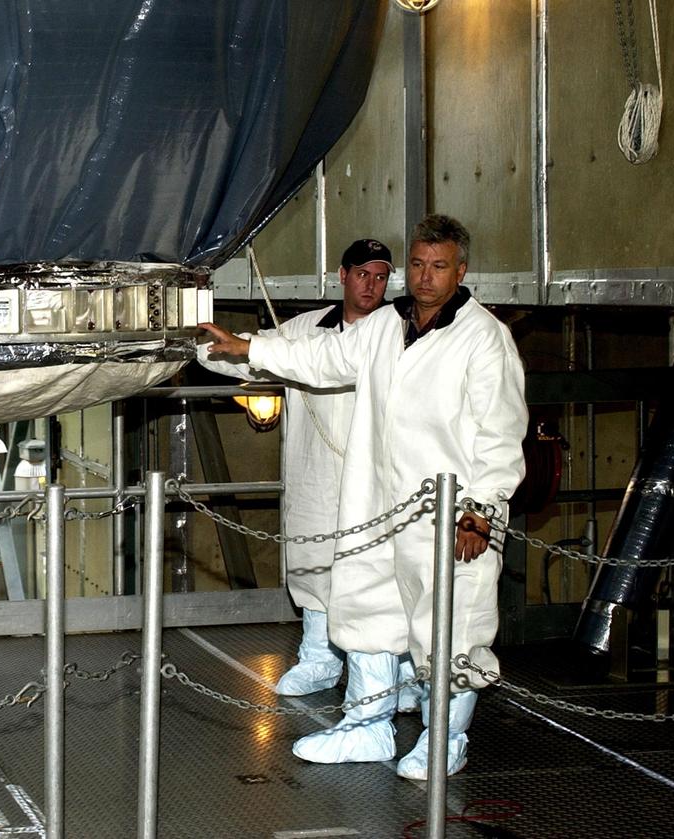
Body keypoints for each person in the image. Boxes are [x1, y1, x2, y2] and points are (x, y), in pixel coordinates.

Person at [200, 215, 526, 779]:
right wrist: (249, 347)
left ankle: (445, 740)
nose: (425, 278)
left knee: (451, 627)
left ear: (462, 270)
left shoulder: (484, 338)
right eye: (418, 264)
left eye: (439, 266)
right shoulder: (384, 327)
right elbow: (322, 359)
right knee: (369, 616)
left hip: (449, 517)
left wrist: (481, 510)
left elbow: (501, 435)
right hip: (379, 509)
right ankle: (367, 728)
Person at [198, 239, 391, 697]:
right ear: (342, 276)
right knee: (311, 559)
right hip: (316, 470)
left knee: (374, 570)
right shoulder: (307, 328)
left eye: (381, 276)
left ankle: (386, 679)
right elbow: (253, 360)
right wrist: (197, 347)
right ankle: (319, 658)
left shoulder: (395, 331)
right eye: (362, 274)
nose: (371, 285)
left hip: (377, 473)